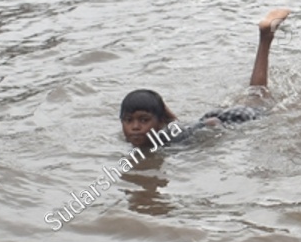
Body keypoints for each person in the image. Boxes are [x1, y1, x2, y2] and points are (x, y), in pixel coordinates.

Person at [120, 8, 289, 151]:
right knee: (255, 95)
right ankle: (266, 37)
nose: (135, 127)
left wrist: (215, 134)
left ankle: (265, 37)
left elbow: (212, 122)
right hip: (209, 117)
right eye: (128, 120)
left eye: (144, 120)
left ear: (159, 123)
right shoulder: (157, 137)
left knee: (258, 99)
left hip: (236, 118)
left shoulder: (170, 142)